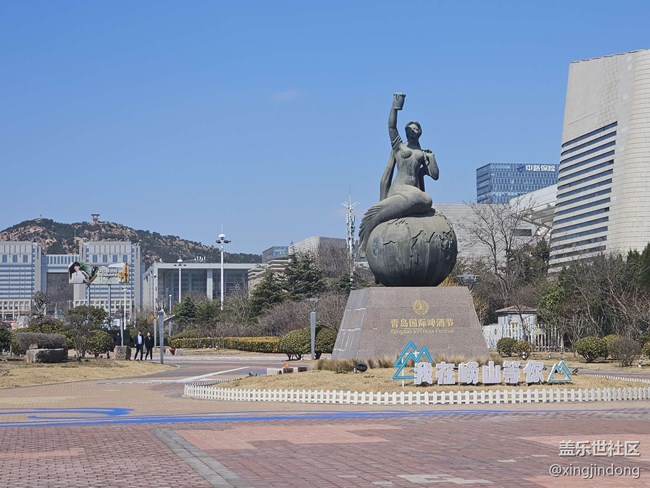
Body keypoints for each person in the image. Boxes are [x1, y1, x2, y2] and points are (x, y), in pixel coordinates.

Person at [358, 93, 439, 256]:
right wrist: (395, 107)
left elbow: (435, 175)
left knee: (426, 200)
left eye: (416, 128)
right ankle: (365, 241)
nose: (413, 130)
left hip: (414, 192)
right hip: (399, 189)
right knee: (424, 199)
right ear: (405, 131)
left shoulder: (423, 153)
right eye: (410, 128)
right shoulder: (399, 147)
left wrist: (432, 158)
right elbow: (391, 127)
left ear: (420, 132)